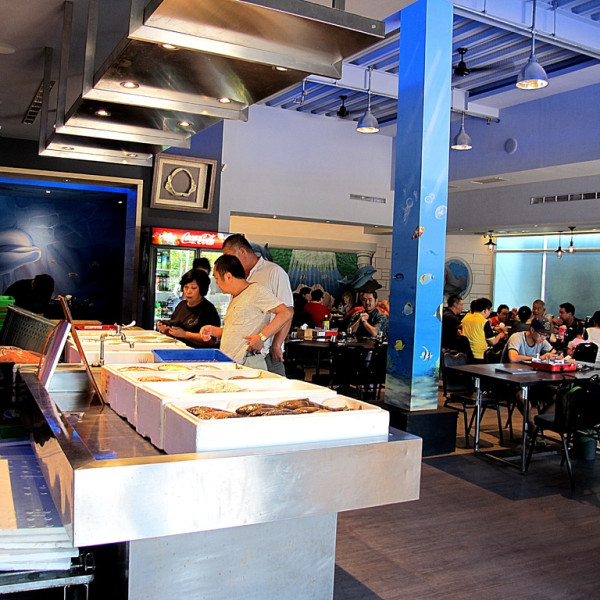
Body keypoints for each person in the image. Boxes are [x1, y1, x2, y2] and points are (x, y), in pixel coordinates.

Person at [199, 255, 293, 369]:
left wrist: (262, 337)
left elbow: (286, 313)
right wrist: (212, 330)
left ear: (228, 276)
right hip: (230, 363)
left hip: (247, 363)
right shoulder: (235, 297)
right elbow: (236, 331)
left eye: (217, 278)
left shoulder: (256, 291)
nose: (217, 283)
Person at [222, 233, 293, 376]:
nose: (228, 263)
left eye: (230, 257)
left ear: (242, 252)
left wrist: (276, 344)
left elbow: (288, 311)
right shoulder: (239, 277)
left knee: (271, 387)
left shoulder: (274, 272)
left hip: (265, 350)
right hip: (242, 353)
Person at [506, 318, 558, 428]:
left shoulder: (541, 341)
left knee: (560, 396)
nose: (543, 338)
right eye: (541, 334)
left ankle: (538, 422)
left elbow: (554, 353)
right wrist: (538, 358)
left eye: (546, 335)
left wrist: (555, 357)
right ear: (532, 330)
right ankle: (531, 424)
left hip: (532, 381)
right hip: (512, 381)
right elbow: (513, 357)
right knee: (522, 397)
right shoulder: (517, 337)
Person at [156, 269, 220, 348]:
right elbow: (175, 331)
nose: (188, 291)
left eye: (193, 288)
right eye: (186, 287)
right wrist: (167, 330)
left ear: (202, 289)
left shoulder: (208, 310)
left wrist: (185, 334)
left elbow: (211, 341)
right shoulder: (181, 305)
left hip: (197, 353)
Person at [460, 297, 507, 363]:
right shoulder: (484, 321)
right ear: (485, 310)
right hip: (479, 356)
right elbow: (492, 342)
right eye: (490, 310)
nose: (490, 312)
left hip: (466, 355)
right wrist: (500, 335)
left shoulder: (466, 318)